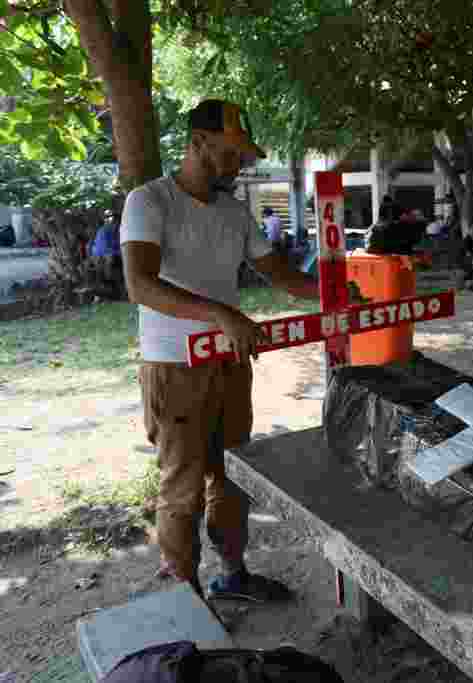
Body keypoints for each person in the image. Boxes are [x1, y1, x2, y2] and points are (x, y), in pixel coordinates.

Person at [120, 99, 322, 601]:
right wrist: (221, 313)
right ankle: (186, 600)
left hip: (229, 365)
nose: (239, 164)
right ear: (197, 143)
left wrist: (339, 292)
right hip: (174, 369)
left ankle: (233, 574)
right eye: (231, 154)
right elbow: (140, 285)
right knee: (182, 491)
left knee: (232, 478)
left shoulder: (234, 211)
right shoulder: (149, 202)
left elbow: (284, 277)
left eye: (242, 156)